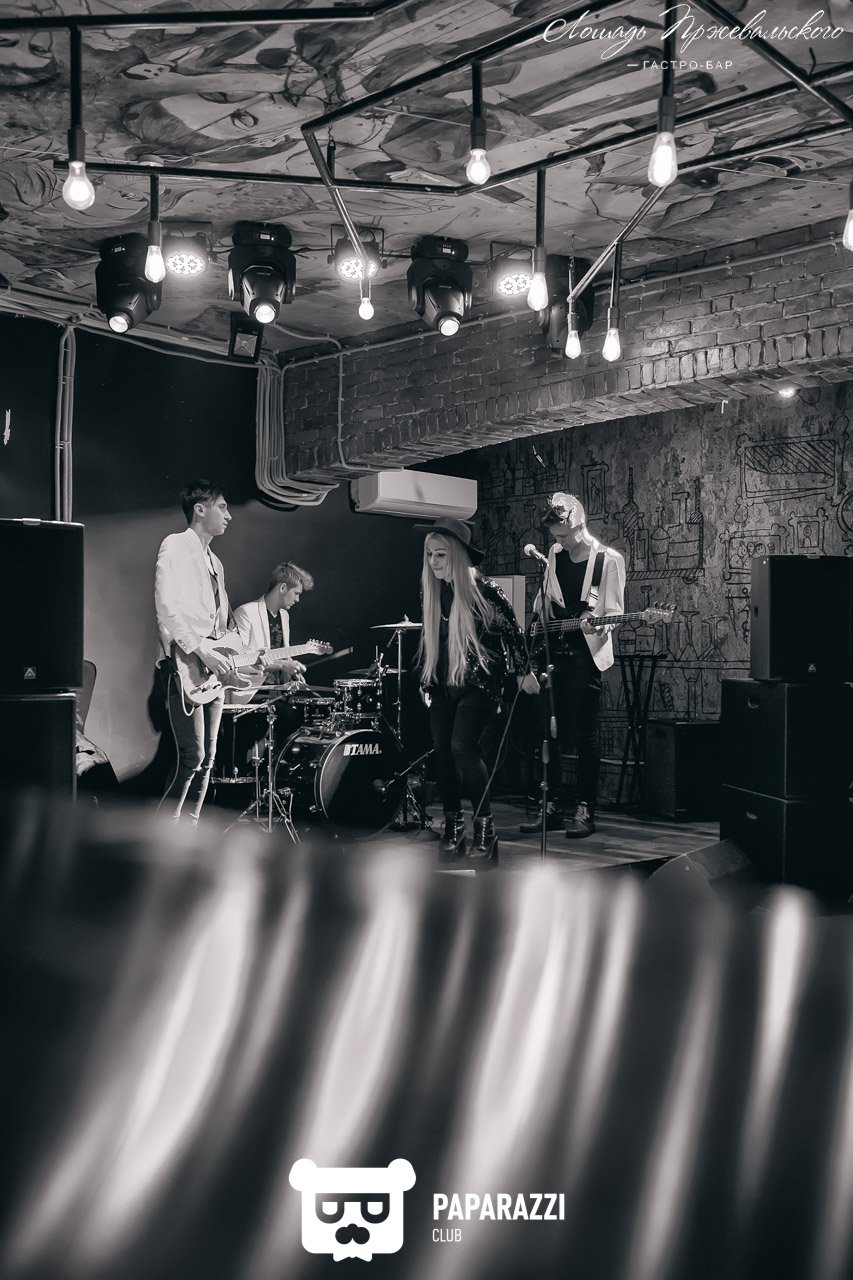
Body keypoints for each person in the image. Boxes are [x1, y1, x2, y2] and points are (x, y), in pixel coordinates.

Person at [418, 517, 539, 865]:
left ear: (457, 555)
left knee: (462, 747)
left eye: (441, 554)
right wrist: (427, 679)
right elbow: (433, 640)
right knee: (442, 751)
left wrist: (522, 672)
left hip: (481, 682)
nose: (433, 561)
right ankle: (453, 825)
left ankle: (485, 829)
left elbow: (514, 633)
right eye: (429, 554)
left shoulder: (486, 591)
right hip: (444, 682)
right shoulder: (433, 592)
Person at [520, 492, 626, 839]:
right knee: (548, 733)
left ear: (580, 524)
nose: (560, 541)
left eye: (564, 535)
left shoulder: (608, 560)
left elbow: (614, 614)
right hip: (553, 654)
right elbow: (546, 600)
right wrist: (541, 610)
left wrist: (598, 625)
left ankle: (585, 808)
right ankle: (551, 806)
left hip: (585, 656)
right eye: (555, 536)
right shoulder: (553, 554)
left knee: (585, 736)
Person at [154, 480, 238, 823]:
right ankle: (162, 837)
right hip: (185, 664)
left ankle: (189, 836)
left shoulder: (215, 562)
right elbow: (166, 606)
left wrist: (238, 653)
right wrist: (202, 651)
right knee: (193, 756)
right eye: (223, 507)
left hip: (210, 671)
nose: (229, 516)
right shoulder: (175, 545)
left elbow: (220, 624)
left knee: (208, 761)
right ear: (200, 510)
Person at [232, 561, 313, 693]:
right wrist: (283, 665)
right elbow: (237, 660)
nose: (297, 600)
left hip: (278, 692)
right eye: (296, 593)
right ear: (283, 588)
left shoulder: (284, 616)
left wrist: (293, 671)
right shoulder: (246, 612)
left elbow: (282, 653)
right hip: (252, 692)